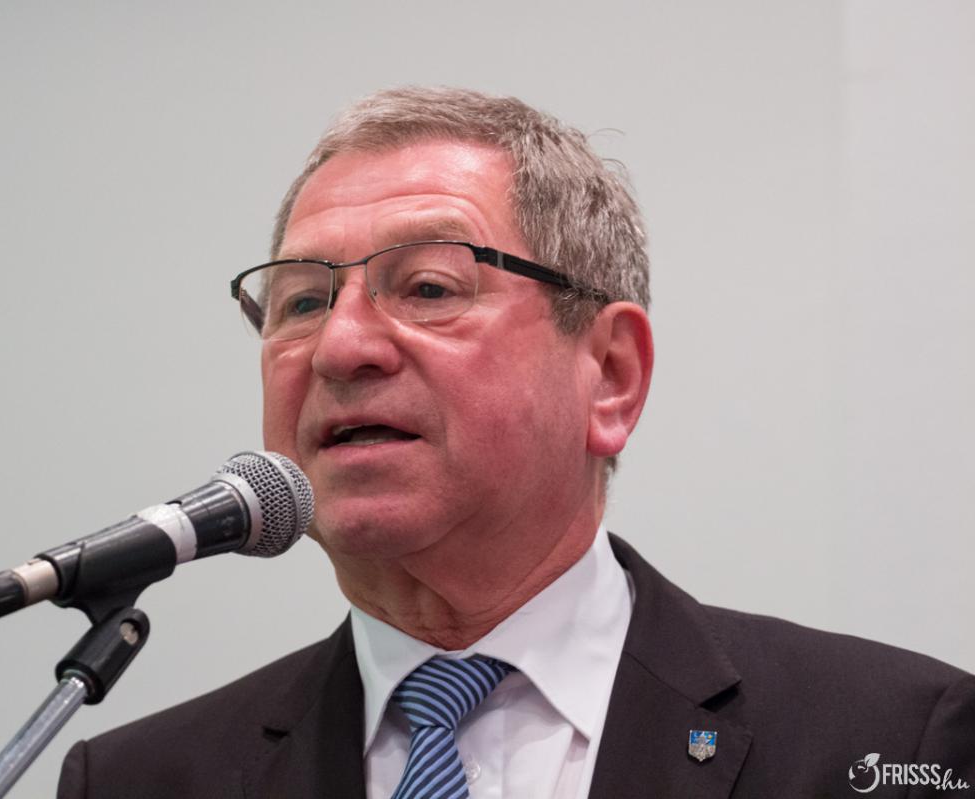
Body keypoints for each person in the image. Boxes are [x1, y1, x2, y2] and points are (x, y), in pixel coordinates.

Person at [58, 87, 973, 798]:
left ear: (610, 375)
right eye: (301, 300)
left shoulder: (891, 741)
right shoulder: (138, 781)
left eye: (427, 287)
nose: (340, 346)